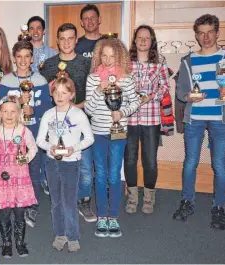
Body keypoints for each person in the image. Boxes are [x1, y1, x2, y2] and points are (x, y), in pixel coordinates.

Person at [173, 14, 225, 230]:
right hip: (194, 118)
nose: (205, 37)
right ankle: (187, 202)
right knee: (190, 162)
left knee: (219, 165)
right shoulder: (188, 60)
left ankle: (219, 207)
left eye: (210, 32)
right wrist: (188, 97)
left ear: (217, 33)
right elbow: (181, 91)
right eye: (201, 33)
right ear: (196, 35)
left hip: (220, 118)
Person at [40, 23, 96, 223]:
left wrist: (77, 108)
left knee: (86, 168)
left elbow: (91, 94)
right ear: (57, 40)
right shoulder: (49, 65)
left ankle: (84, 201)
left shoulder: (85, 63)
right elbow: (46, 96)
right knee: (57, 166)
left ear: (76, 40)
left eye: (70, 38)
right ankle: (61, 201)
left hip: (80, 121)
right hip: (57, 125)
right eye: (62, 38)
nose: (66, 42)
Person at [85, 38, 140, 238]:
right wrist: (99, 90)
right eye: (104, 56)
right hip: (98, 133)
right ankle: (102, 216)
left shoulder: (126, 78)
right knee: (99, 174)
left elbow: (135, 102)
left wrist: (123, 112)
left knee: (114, 174)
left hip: (118, 132)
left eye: (112, 56)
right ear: (99, 56)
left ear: (119, 56)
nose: (107, 60)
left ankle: (113, 216)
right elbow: (89, 109)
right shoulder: (92, 78)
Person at [0, 40, 52, 228]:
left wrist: (33, 111)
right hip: (10, 137)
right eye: (19, 56)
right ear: (14, 58)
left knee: (33, 172)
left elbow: (47, 108)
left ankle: (32, 206)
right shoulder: (6, 80)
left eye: (27, 56)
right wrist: (19, 102)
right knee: (10, 172)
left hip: (33, 134)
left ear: (32, 58)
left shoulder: (40, 80)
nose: (23, 60)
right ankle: (10, 206)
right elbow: (0, 108)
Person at [36, 77, 93, 252]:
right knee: (56, 201)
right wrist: (50, 147)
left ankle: (73, 236)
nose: (60, 96)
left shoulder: (78, 114)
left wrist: (73, 148)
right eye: (56, 92)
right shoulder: (48, 114)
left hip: (71, 163)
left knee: (69, 201)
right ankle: (59, 234)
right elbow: (40, 140)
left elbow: (90, 138)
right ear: (52, 94)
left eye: (64, 93)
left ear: (72, 95)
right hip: (52, 162)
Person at [124, 25, 171, 214]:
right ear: (135, 40)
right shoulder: (126, 62)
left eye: (147, 38)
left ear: (152, 41)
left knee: (150, 161)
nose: (143, 41)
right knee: (129, 159)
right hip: (130, 118)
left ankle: (149, 196)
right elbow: (119, 84)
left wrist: (151, 96)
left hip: (151, 118)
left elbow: (165, 86)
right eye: (140, 38)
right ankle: (133, 196)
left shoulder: (160, 61)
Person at [0, 96, 38, 258]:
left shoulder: (24, 131)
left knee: (19, 212)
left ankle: (20, 243)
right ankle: (7, 243)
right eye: (5, 111)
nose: (9, 115)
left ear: (18, 113)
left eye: (13, 112)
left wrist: (26, 159)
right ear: (0, 114)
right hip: (1, 179)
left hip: (20, 178)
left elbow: (33, 148)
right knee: (4, 213)